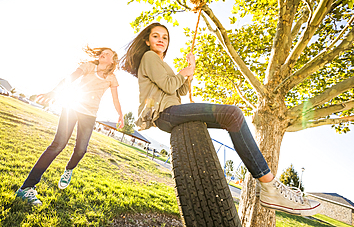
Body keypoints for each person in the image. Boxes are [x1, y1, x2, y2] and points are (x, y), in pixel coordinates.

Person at [120, 22, 322, 216]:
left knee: (233, 118)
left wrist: (190, 71)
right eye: (156, 36)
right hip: (164, 113)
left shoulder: (162, 63)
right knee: (232, 114)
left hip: (172, 110)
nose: (161, 40)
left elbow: (180, 90)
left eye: (165, 37)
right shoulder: (149, 57)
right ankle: (269, 187)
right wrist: (183, 73)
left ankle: (268, 186)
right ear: (147, 41)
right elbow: (169, 85)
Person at [16, 46, 124, 206]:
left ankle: (68, 170)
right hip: (72, 107)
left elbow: (115, 99)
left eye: (108, 54)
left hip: (90, 115)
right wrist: (54, 92)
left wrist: (120, 115)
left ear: (112, 61)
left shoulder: (112, 78)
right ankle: (26, 187)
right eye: (103, 52)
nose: (103, 54)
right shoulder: (88, 66)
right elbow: (70, 78)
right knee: (58, 145)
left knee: (81, 150)